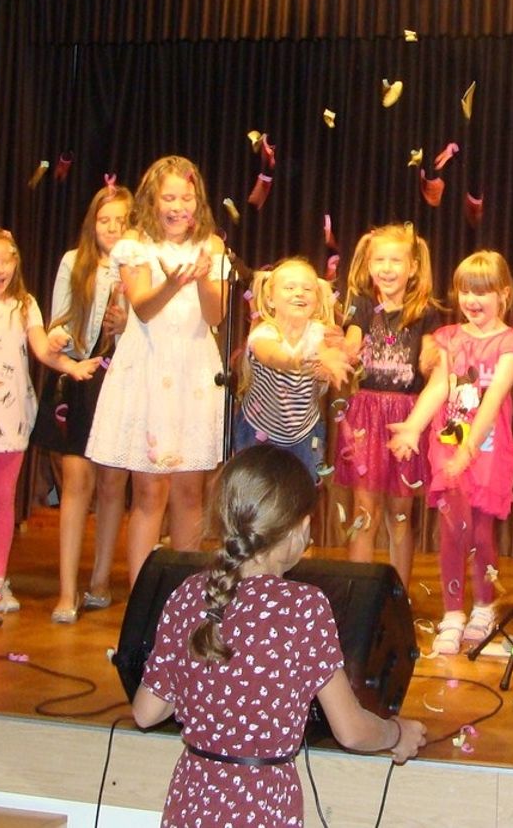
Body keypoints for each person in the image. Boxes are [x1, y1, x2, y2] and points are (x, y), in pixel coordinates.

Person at [133, 444, 427, 828]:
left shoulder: (188, 593)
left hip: (191, 803)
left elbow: (146, 712)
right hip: (261, 807)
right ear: (299, 528)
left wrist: (208, 690)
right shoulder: (302, 607)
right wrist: (396, 733)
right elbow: (352, 731)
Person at [86, 156, 230, 591]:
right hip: (149, 371)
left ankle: (183, 598)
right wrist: (172, 282)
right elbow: (143, 309)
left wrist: (202, 278)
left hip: (193, 374)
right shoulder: (135, 245)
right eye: (169, 198)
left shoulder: (212, 246)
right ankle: (143, 598)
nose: (178, 207)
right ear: (152, 200)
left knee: (190, 492)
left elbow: (215, 315)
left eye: (187, 198)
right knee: (150, 492)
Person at [0, 227, 100, 614]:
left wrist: (71, 366)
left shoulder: (26, 305)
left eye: (5, 261)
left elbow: (42, 349)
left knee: (2, 497)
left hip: (12, 413)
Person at [389, 251, 513, 655]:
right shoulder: (450, 338)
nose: (471, 300)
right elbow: (439, 386)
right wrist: (414, 426)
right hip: (448, 444)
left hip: (486, 447)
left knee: (481, 532)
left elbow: (494, 399)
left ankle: (484, 606)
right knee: (453, 529)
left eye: (482, 291)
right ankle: (453, 612)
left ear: (503, 294)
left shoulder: (511, 344)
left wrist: (471, 448)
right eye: (465, 291)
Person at [38, 183, 133, 622]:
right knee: (76, 482)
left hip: (122, 377)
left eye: (121, 221)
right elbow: (58, 322)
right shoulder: (73, 262)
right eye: (104, 220)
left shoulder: (141, 266)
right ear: (92, 224)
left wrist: (125, 321)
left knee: (113, 483)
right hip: (80, 375)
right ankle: (66, 590)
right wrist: (59, 337)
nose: (112, 228)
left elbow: (150, 328)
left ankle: (99, 580)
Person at [335, 224, 444, 588]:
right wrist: (342, 349)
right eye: (379, 260)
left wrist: (435, 358)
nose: (386, 268)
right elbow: (352, 341)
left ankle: (399, 596)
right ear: (368, 265)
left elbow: (429, 359)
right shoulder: (363, 305)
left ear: (412, 267)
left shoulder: (425, 311)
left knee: (400, 514)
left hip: (406, 416)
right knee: (364, 511)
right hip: (366, 414)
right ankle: (357, 592)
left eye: (395, 260)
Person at [235, 258, 351, 480]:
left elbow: (326, 353)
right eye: (289, 288)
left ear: (317, 299)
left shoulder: (318, 332)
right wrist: (302, 360)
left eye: (307, 289)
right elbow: (273, 356)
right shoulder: (264, 333)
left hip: (304, 433)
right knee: (258, 489)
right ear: (270, 299)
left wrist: (333, 361)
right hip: (259, 430)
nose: (299, 293)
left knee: (301, 491)